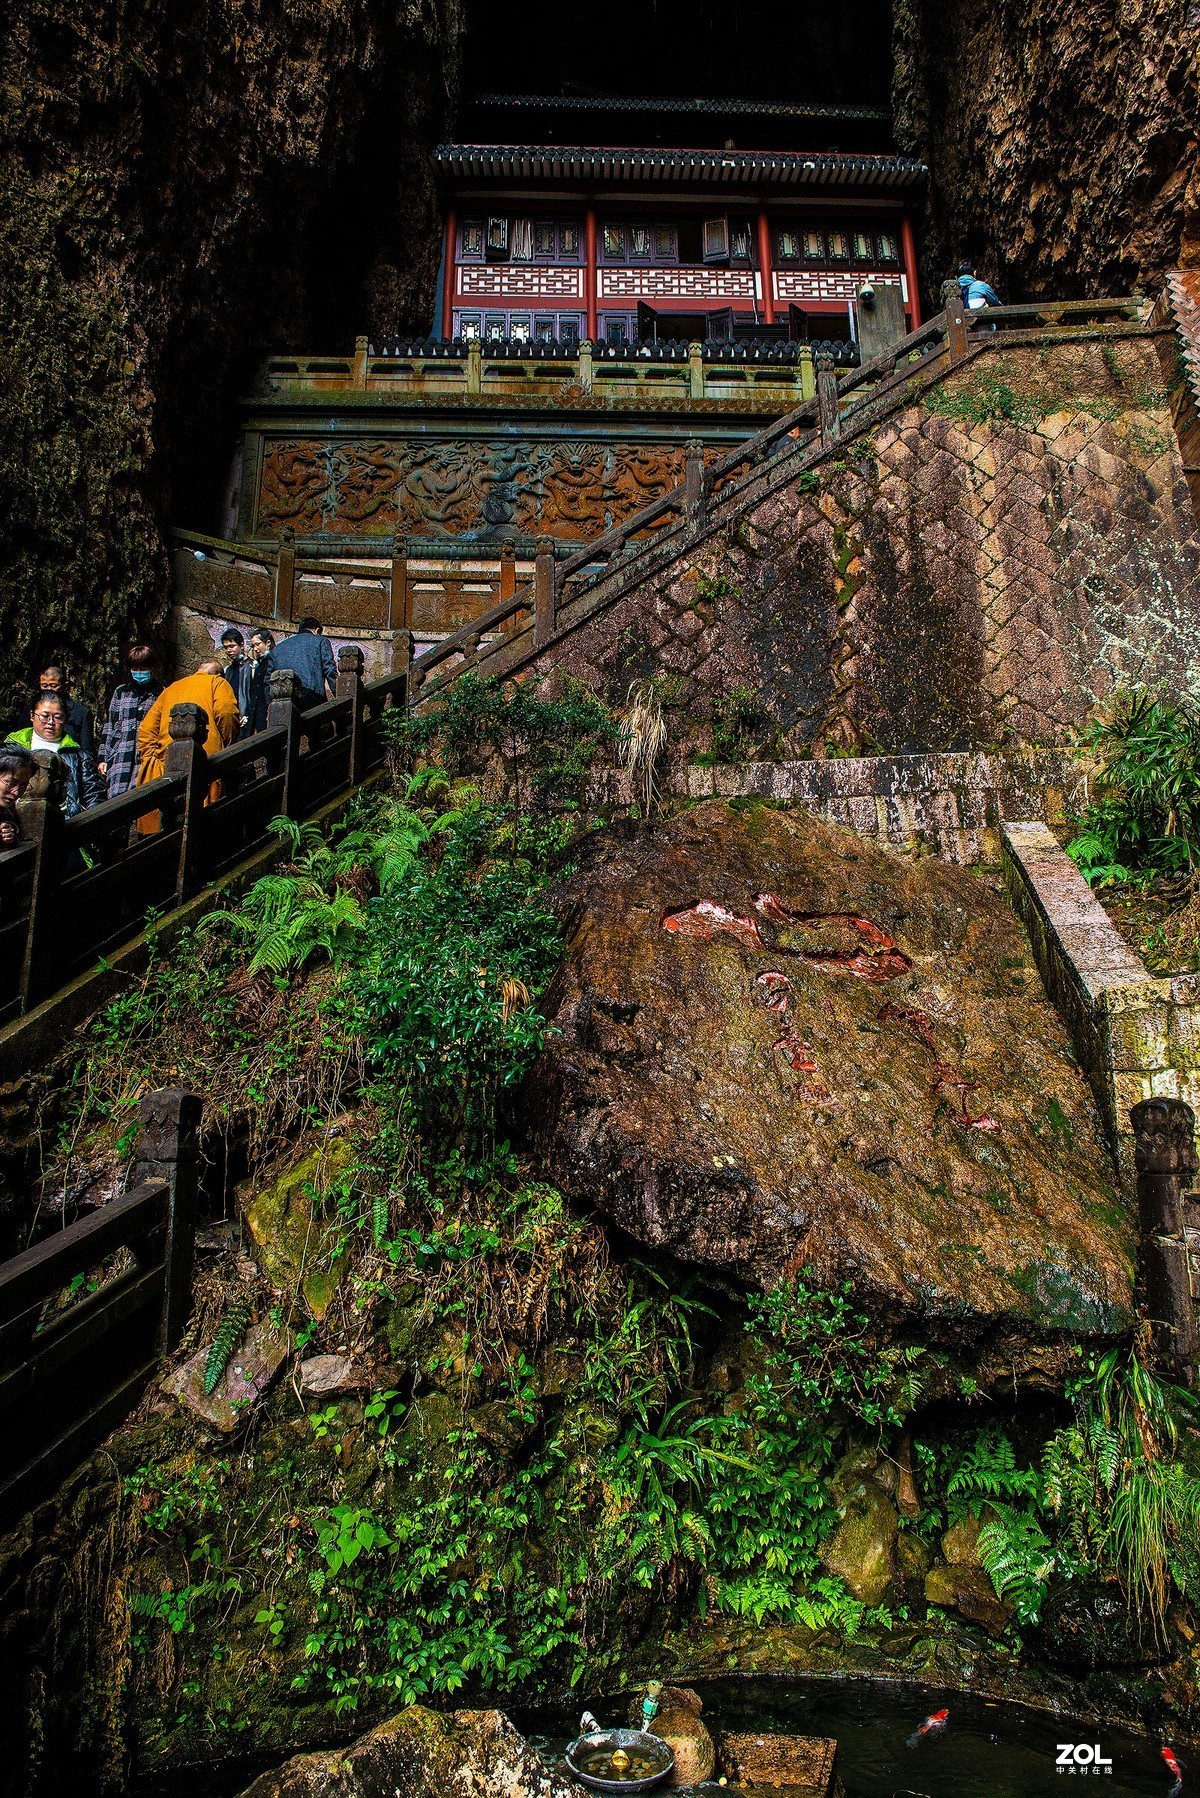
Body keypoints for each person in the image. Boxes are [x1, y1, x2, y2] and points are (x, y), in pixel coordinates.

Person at [135, 658, 240, 833]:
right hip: (205, 759)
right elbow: (226, 712)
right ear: (220, 675)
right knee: (202, 820)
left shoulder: (172, 688)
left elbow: (146, 730)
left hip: (168, 761)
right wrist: (228, 744)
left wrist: (154, 757)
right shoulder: (217, 683)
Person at [6, 693, 102, 819]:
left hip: (68, 824)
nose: (50, 722)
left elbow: (93, 795)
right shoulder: (11, 749)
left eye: (58, 717)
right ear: (32, 716)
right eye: (44, 716)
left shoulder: (78, 756)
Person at [97, 643, 162, 798]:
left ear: (152, 668)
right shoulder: (121, 692)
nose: (139, 673)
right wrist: (103, 757)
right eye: (135, 669)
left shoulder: (161, 694)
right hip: (119, 755)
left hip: (144, 756)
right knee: (115, 799)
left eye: (143, 669)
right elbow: (110, 725)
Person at [268, 617, 338, 711]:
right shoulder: (321, 641)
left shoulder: (277, 649)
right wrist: (338, 694)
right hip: (312, 699)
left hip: (282, 703)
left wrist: (270, 706)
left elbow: (268, 680)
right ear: (317, 630)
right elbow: (329, 670)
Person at [38, 664, 96, 757]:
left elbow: (87, 751)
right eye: (44, 686)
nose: (49, 690)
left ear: (65, 687)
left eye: (53, 686)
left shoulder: (81, 713)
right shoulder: (32, 709)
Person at [0, 745, 35, 845]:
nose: (16, 792)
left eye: (23, 786)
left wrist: (8, 837)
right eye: (11, 783)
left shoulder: (9, 812)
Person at [219, 628, 253, 728]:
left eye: (232, 646)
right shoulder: (227, 670)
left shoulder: (253, 667)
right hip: (232, 719)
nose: (229, 650)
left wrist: (249, 715)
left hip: (247, 719)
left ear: (242, 645)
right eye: (226, 647)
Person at [245, 628, 276, 736]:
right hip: (256, 714)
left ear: (267, 642)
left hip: (267, 712)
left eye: (258, 644)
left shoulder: (274, 662)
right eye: (253, 646)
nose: (255, 649)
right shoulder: (259, 665)